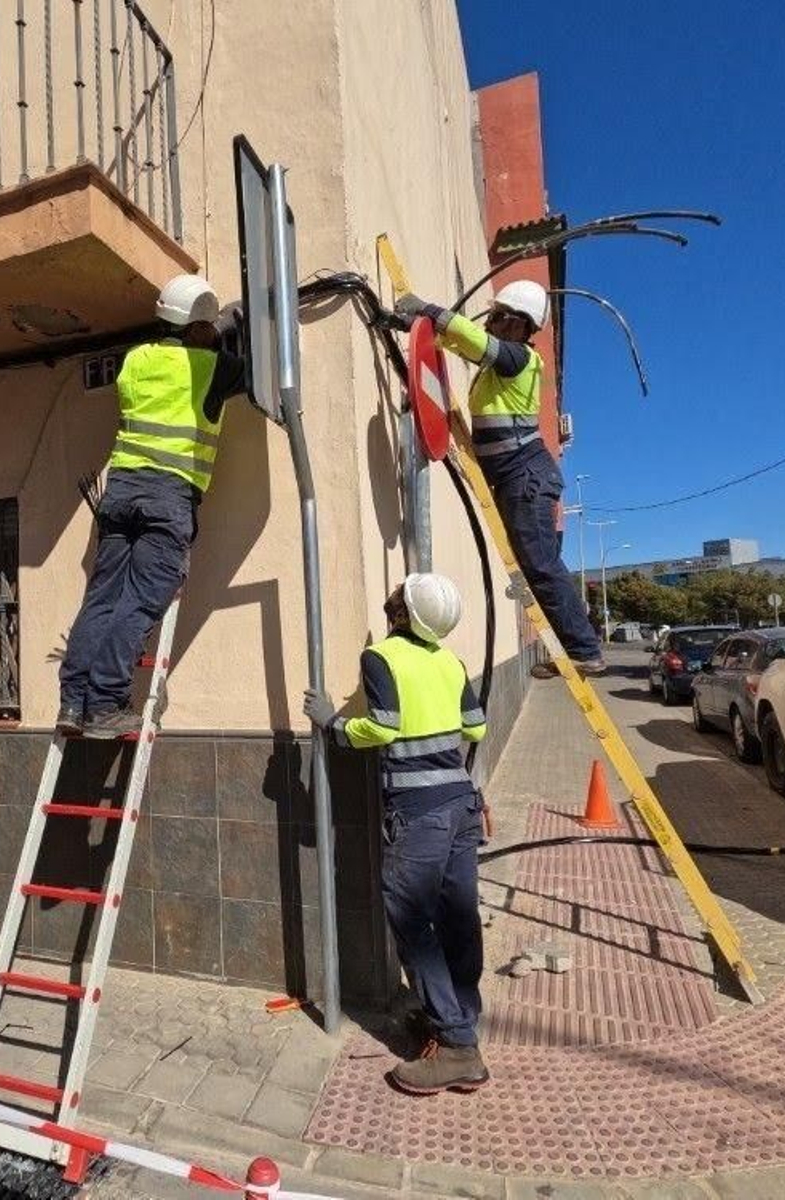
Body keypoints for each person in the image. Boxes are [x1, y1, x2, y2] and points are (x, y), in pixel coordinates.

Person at [303, 573, 491, 1095]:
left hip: (419, 812)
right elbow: (476, 728)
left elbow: (382, 728)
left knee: (412, 921)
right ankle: (459, 1017)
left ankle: (456, 1047)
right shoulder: (449, 661)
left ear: (400, 610)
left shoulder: (381, 657)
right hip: (460, 804)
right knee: (459, 915)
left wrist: (333, 725)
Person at [57, 273, 246, 739]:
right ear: (200, 328)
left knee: (101, 599)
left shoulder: (135, 360)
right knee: (140, 602)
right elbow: (241, 368)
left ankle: (72, 704)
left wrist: (211, 325)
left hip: (120, 492)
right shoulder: (211, 368)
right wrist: (237, 318)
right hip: (168, 496)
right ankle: (104, 706)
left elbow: (189, 351)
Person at [396, 282, 606, 677]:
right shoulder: (500, 366)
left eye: (496, 317)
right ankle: (573, 648)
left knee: (542, 563)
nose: (489, 323)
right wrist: (411, 327)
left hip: (526, 477)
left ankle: (585, 650)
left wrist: (429, 309)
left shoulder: (519, 359)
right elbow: (460, 345)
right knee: (537, 565)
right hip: (518, 480)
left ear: (517, 324)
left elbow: (474, 340)